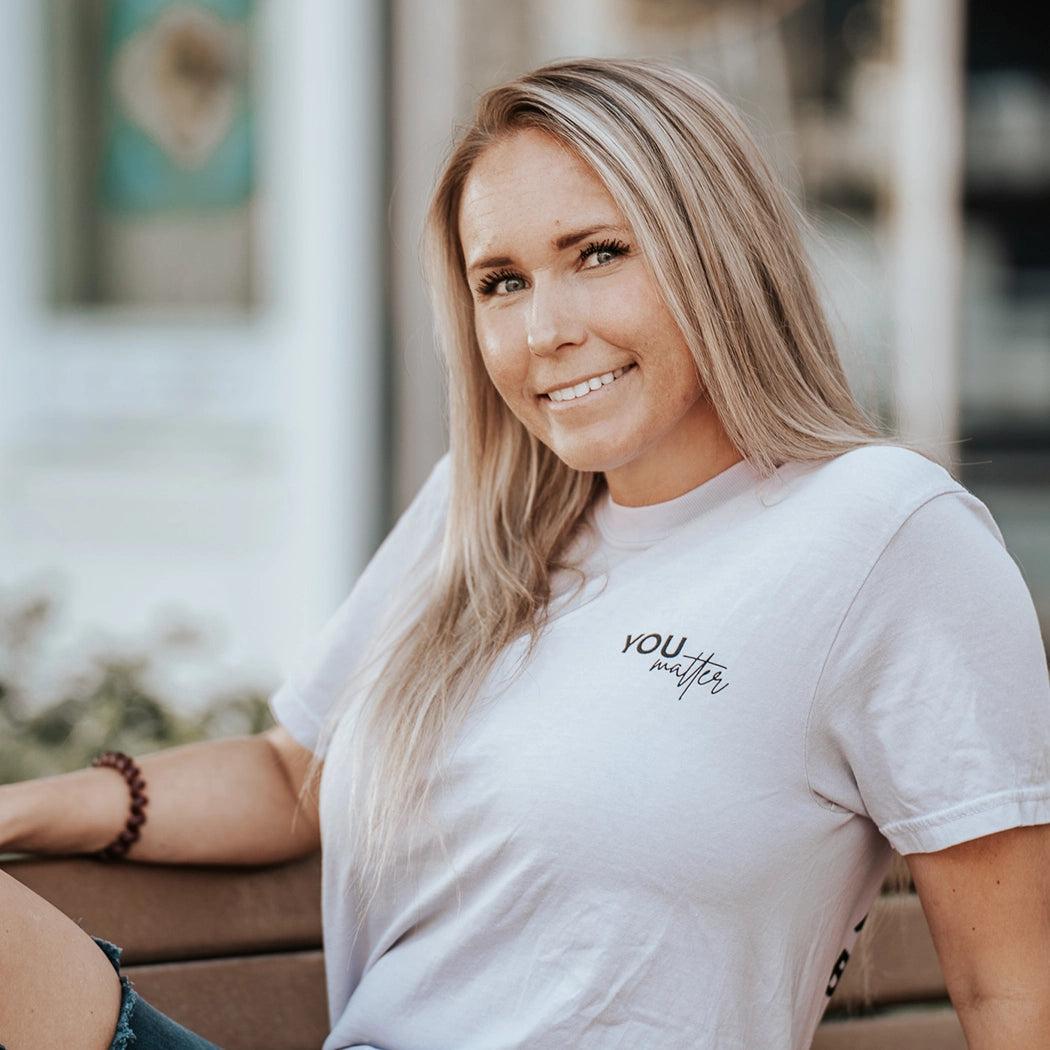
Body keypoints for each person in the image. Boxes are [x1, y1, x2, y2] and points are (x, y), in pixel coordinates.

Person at [1, 56, 1049, 1050]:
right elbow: (296, 777)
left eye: (599, 254)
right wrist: (34, 806)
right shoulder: (486, 502)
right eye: (501, 282)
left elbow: (1011, 984)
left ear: (716, 253)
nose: (546, 330)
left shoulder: (883, 532)